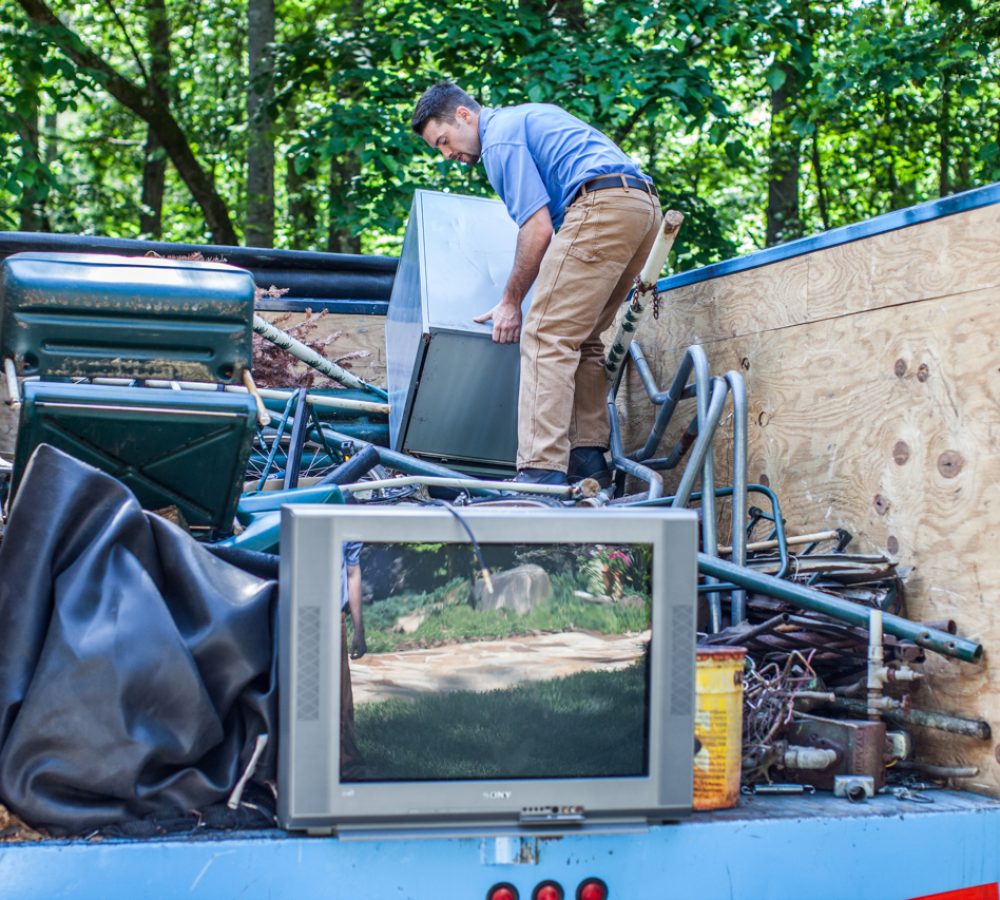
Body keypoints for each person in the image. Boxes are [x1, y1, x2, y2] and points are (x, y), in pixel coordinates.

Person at [411, 82, 663, 486]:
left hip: (602, 205)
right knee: (583, 340)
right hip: (644, 209)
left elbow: (537, 228)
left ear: (464, 115)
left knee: (546, 335)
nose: (448, 155)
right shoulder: (524, 118)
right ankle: (588, 462)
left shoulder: (497, 142)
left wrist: (511, 301)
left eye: (444, 141)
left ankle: (539, 471)